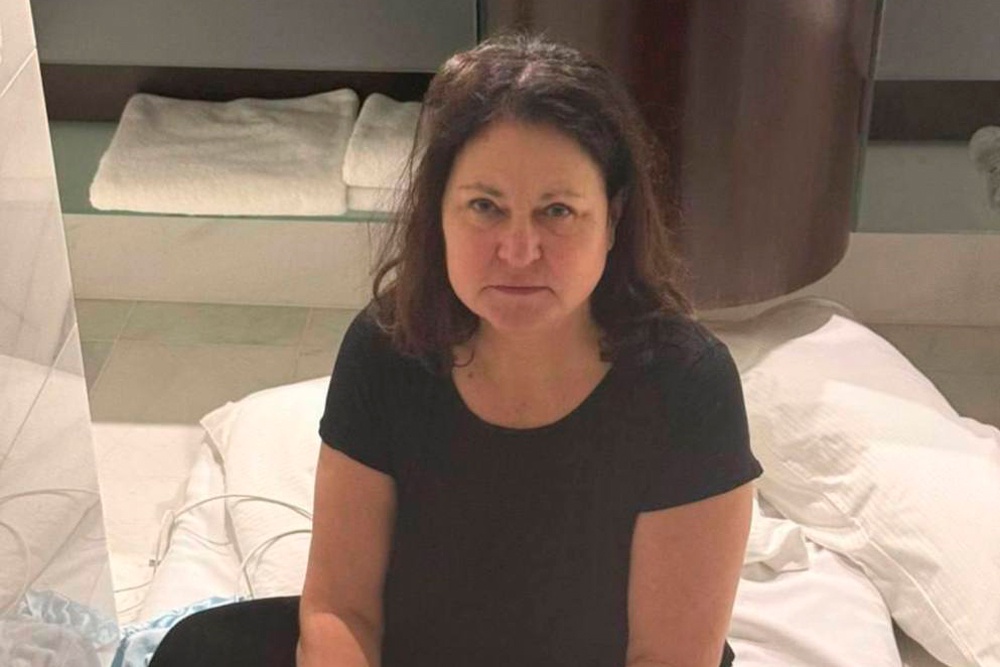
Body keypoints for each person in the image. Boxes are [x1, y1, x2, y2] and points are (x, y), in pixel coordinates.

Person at [149, 32, 762, 667]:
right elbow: (341, 609)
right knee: (196, 651)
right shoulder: (389, 346)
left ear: (612, 218)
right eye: (485, 207)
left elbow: (666, 656)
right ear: (438, 213)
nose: (518, 251)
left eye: (557, 211)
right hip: (412, 644)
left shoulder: (688, 385)